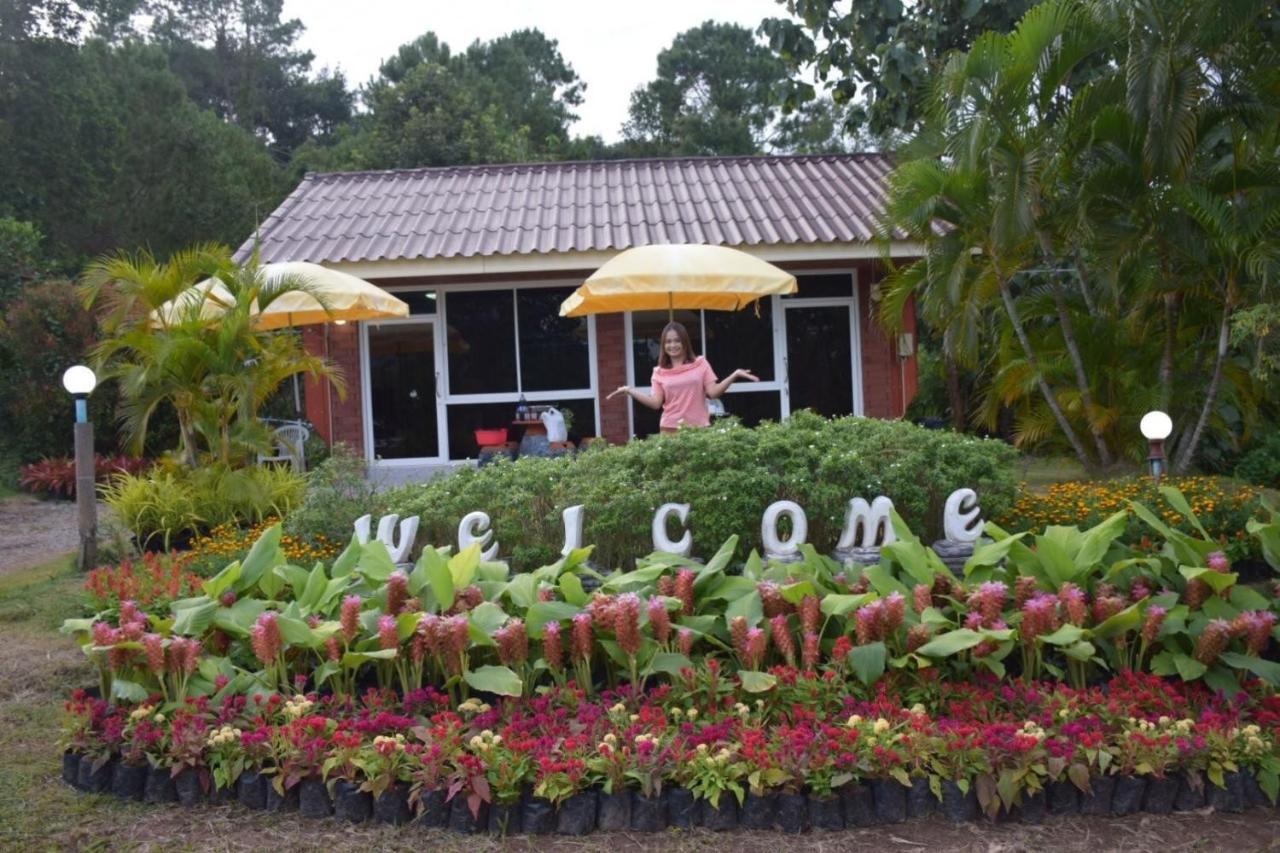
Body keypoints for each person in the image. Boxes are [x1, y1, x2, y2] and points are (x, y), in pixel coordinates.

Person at [608, 321, 758, 432]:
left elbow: (713, 393)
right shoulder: (659, 372)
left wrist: (734, 375)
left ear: (685, 342)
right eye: (668, 341)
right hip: (670, 428)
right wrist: (629, 391)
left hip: (699, 428)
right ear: (663, 345)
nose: (672, 345)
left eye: (677, 340)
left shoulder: (700, 363)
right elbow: (655, 403)